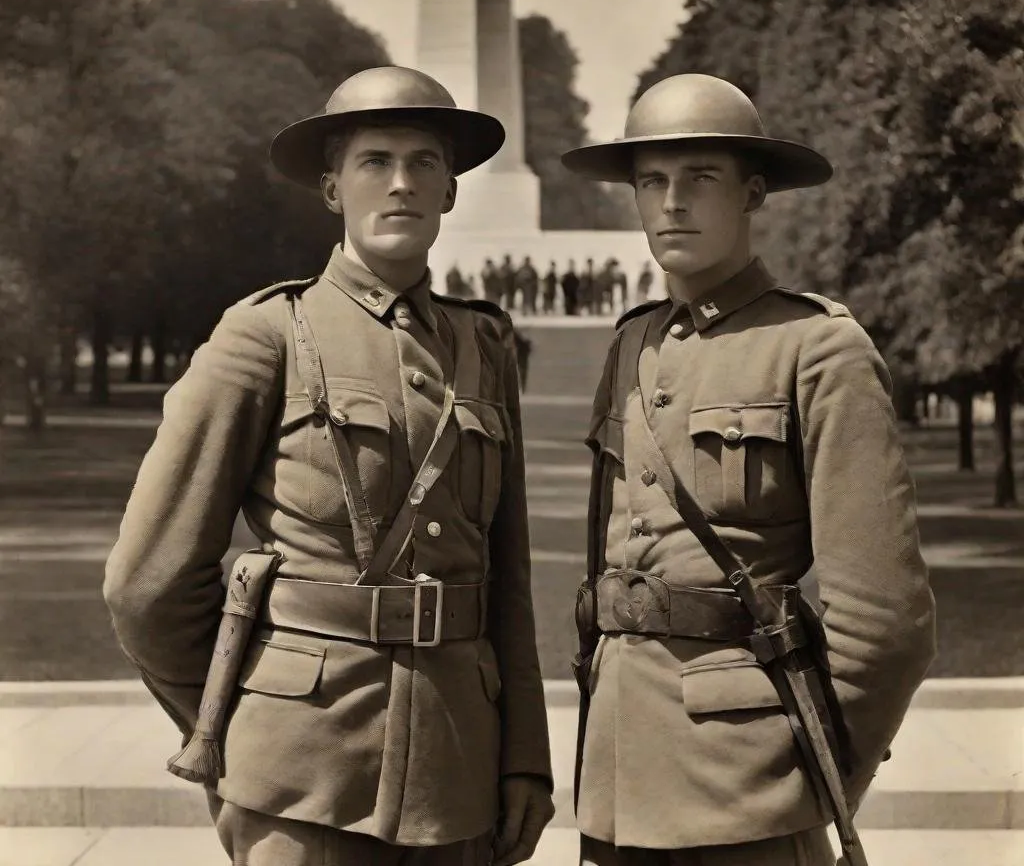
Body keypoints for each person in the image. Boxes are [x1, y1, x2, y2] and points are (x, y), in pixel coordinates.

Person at [104, 65, 555, 866]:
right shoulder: (267, 333)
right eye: (374, 161)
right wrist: (243, 718)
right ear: (332, 189)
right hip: (303, 778)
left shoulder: (484, 347)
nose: (402, 183)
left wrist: (523, 757)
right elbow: (147, 584)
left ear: (451, 191)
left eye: (425, 163)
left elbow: (506, 581)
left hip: (459, 777)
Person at [560, 73, 936, 865]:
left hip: (751, 790)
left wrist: (815, 774)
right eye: (652, 181)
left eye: (700, 178)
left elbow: (887, 623)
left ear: (752, 193)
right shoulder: (632, 345)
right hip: (621, 782)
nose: (671, 203)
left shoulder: (817, 348)